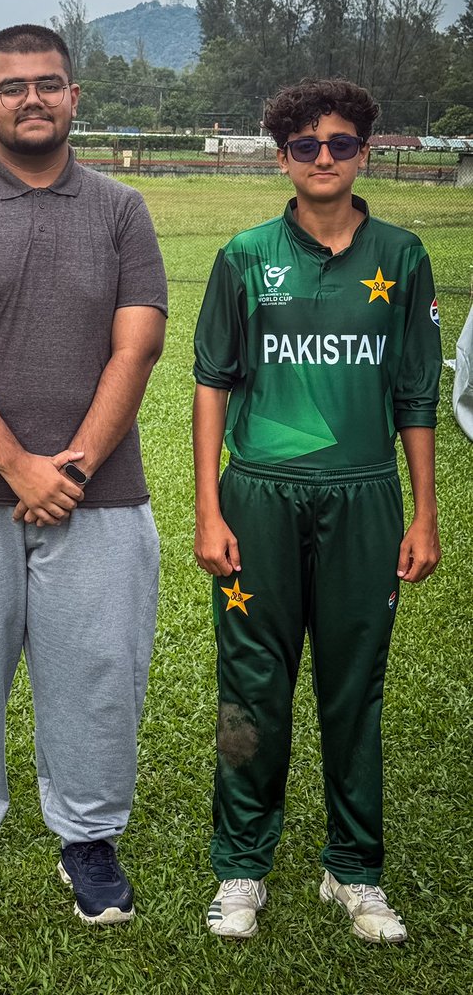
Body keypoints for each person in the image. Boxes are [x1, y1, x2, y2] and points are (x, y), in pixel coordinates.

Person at [0, 25, 167, 923]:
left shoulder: (122, 210)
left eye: (49, 84)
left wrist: (73, 466)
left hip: (97, 492)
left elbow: (139, 343)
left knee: (98, 668)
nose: (32, 100)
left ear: (75, 96)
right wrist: (18, 467)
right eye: (12, 88)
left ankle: (87, 837)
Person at [192, 79, 442, 943]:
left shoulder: (402, 257)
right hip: (256, 496)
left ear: (366, 151)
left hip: (365, 498)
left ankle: (354, 870)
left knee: (354, 689)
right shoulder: (243, 254)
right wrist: (207, 508)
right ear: (282, 157)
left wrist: (424, 513)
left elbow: (416, 394)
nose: (324, 158)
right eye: (306, 146)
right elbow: (212, 383)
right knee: (251, 689)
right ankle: (241, 868)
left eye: (340, 143)